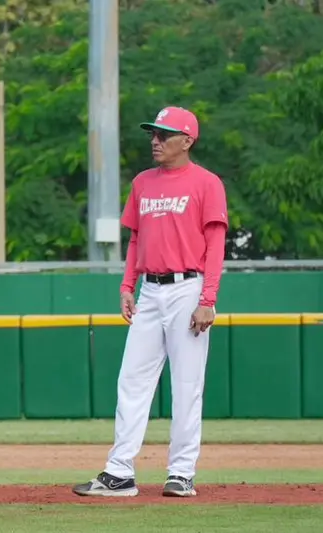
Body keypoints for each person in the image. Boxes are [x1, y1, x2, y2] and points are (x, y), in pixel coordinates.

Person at [72, 106, 227, 499]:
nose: (155, 141)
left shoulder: (207, 183)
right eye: (153, 134)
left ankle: (181, 473)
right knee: (132, 380)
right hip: (150, 290)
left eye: (164, 134)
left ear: (187, 140)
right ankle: (119, 473)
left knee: (187, 385)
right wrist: (128, 285)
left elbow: (215, 245)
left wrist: (208, 299)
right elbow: (136, 239)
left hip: (188, 288)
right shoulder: (143, 182)